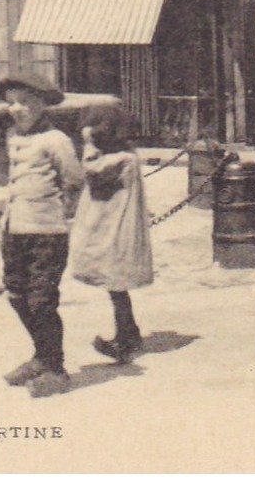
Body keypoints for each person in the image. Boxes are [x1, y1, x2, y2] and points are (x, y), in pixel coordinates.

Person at [0, 75, 84, 399]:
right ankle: (41, 355)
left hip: (46, 231)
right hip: (14, 229)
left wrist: (65, 214)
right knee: (16, 294)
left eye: (25, 102)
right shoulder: (12, 135)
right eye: (11, 101)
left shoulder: (56, 140)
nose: (17, 109)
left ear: (42, 103)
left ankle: (55, 368)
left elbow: (73, 179)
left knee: (41, 301)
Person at [69, 104, 153, 364]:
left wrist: (87, 147)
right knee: (115, 286)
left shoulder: (119, 160)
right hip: (112, 224)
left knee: (115, 283)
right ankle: (128, 333)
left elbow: (91, 172)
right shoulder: (125, 155)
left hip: (115, 228)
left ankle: (126, 339)